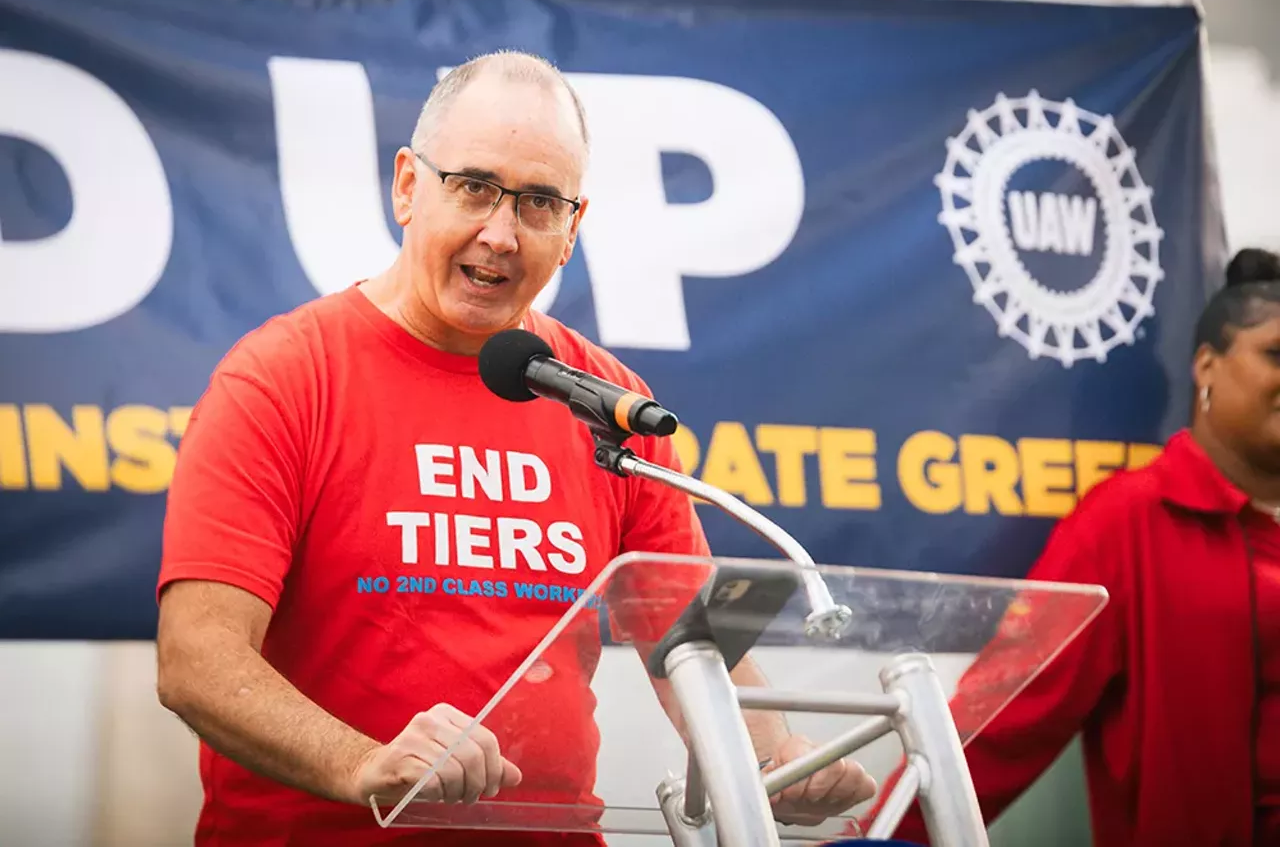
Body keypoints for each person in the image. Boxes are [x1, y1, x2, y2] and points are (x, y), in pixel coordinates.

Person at [155, 50, 876, 847]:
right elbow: (197, 660)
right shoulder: (285, 378)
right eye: (473, 187)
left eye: (537, 203)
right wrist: (366, 765)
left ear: (571, 229)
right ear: (406, 186)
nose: (499, 234)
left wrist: (777, 757)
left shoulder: (605, 402)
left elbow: (693, 644)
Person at [870, 247, 1280, 846]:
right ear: (1207, 365)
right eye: (1275, 354)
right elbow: (1007, 713)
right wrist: (878, 838)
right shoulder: (1130, 521)